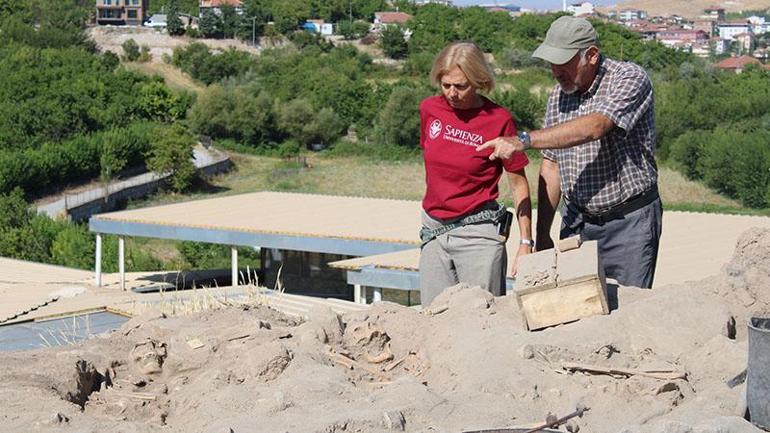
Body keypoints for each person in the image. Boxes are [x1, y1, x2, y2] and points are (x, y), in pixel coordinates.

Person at [477, 16, 662, 289]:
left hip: (628, 224)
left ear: (592, 55)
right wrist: (542, 236)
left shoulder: (629, 79)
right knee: (576, 310)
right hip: (577, 222)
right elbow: (551, 168)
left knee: (626, 311)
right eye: (551, 62)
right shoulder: (558, 96)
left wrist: (523, 140)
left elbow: (596, 126)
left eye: (563, 62)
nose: (555, 70)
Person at [419, 41, 533, 306]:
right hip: (434, 231)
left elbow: (518, 185)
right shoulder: (429, 110)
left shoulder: (498, 119)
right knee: (433, 319)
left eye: (461, 86)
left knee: (481, 319)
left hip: (478, 233)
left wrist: (525, 242)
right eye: (445, 85)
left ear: (479, 81)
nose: (452, 93)